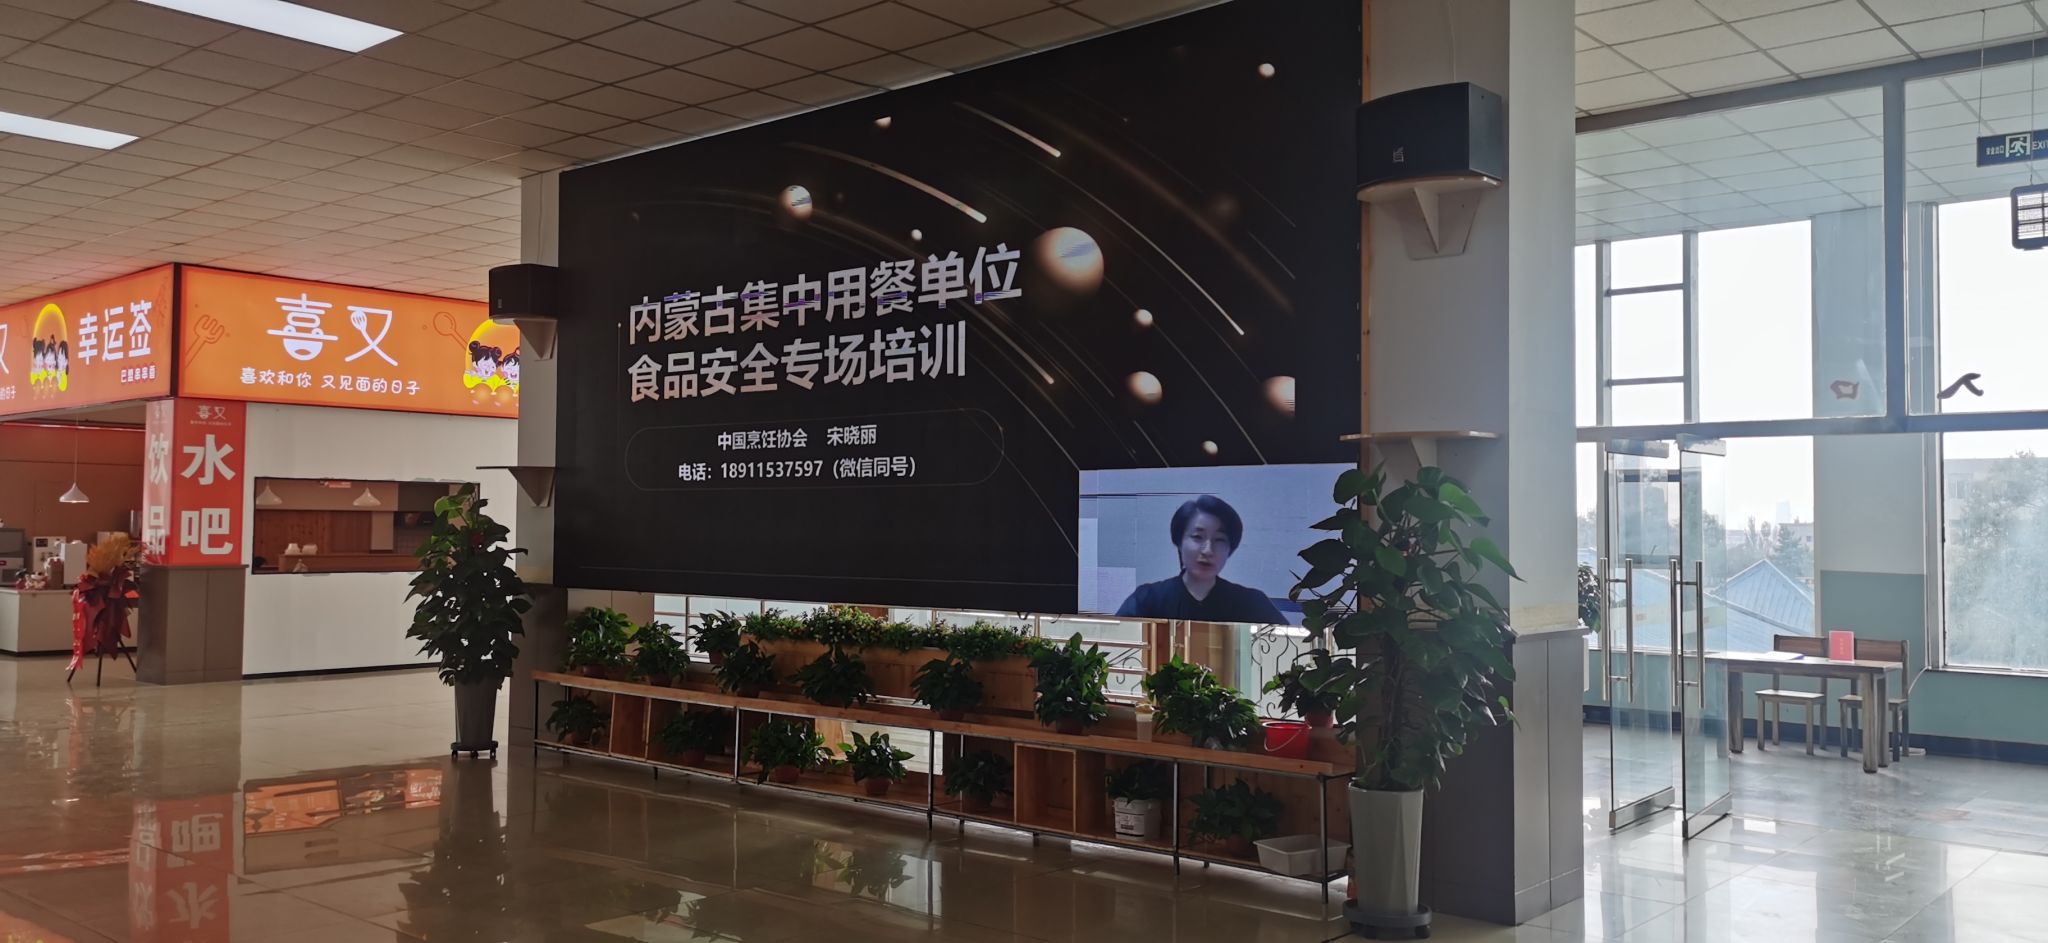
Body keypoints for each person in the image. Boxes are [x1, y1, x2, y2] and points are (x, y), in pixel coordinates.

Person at [1115, 494, 1285, 624]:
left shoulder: (1251, 602)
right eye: (1197, 537)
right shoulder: (1147, 600)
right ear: (1179, 541)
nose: (1208, 550)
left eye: (1219, 540)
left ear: (1230, 549)